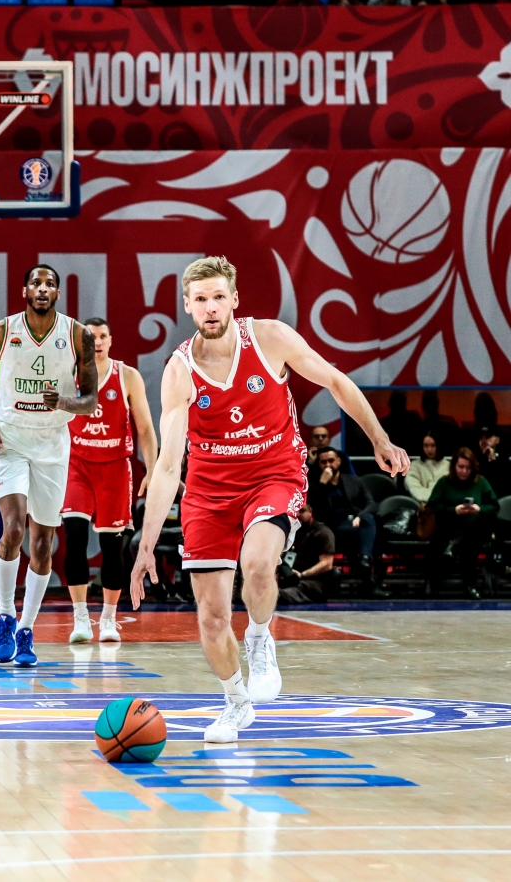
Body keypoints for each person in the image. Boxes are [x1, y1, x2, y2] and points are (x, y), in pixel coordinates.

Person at [130, 256, 409, 743]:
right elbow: (170, 466)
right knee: (211, 616)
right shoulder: (180, 370)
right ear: (188, 306)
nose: (211, 307)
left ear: (234, 301)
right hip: (209, 489)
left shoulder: (269, 338)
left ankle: (260, 639)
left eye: (219, 297)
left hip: (273, 474)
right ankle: (236, 703)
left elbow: (335, 381)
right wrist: (147, 544)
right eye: (201, 299)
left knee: (259, 563)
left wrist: (379, 439)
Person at [0, 265, 98, 667]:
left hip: (52, 444)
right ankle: (5, 615)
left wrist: (64, 402)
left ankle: (26, 628)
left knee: (42, 544)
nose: (42, 289)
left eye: (50, 284)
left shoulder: (77, 335)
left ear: (57, 293)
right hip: (10, 440)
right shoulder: (1, 331)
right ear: (25, 291)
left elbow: (89, 400)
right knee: (14, 528)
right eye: (36, 283)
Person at [61, 318, 157, 644]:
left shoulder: (127, 376)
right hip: (77, 466)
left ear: (111, 340)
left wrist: (153, 471)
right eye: (90, 337)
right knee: (74, 538)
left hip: (114, 469)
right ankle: (79, 617)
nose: (97, 342)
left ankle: (108, 619)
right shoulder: (67, 374)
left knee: (112, 548)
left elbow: (145, 428)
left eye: (102, 336)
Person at [428, 447, 499, 599]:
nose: (464, 471)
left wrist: (479, 508)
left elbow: (494, 506)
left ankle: (453, 548)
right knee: (465, 541)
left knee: (473, 527)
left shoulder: (481, 482)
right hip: (449, 526)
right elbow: (433, 506)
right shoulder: (444, 482)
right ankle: (465, 584)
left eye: (468, 468)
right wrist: (454, 510)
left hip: (476, 528)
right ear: (454, 466)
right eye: (461, 467)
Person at [309, 447, 379, 590]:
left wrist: (359, 516)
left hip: (355, 522)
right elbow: (314, 509)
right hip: (333, 525)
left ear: (339, 461)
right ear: (319, 464)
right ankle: (366, 565)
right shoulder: (314, 484)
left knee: (369, 519)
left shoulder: (353, 480)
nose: (328, 465)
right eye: (323, 462)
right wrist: (322, 483)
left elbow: (371, 504)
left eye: (331, 461)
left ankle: (364, 559)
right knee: (367, 533)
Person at [278, 504, 337, 604]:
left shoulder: (323, 532)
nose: (297, 514)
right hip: (290, 579)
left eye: (302, 511)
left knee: (283, 594)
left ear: (310, 511)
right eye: (294, 512)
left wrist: (301, 575)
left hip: (314, 581)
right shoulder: (291, 532)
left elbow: (327, 564)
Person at [405, 432, 450, 503]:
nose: (429, 449)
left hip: (444, 504)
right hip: (420, 504)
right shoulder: (414, 466)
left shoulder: (448, 466)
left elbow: (450, 490)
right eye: (426, 445)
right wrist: (431, 499)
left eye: (433, 445)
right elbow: (414, 488)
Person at [476, 428, 511, 498]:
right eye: (481, 438)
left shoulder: (505, 459)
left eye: (487, 437)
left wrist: (493, 460)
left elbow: (504, 482)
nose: (483, 441)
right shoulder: (475, 459)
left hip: (501, 497)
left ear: (497, 440)